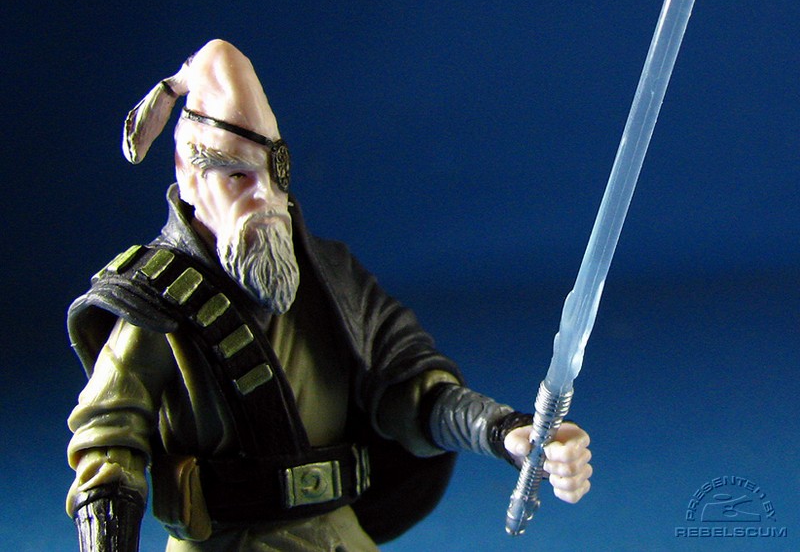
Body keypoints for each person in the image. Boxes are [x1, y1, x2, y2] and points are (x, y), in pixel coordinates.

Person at [66, 40, 592, 551]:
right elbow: (107, 449)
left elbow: (410, 391)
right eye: (236, 175)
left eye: (273, 173)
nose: (264, 196)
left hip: (335, 535)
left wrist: (505, 433)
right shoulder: (154, 303)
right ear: (190, 178)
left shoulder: (330, 276)